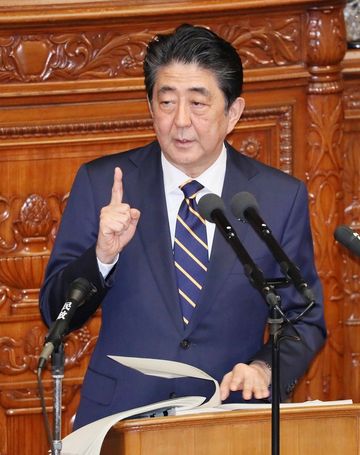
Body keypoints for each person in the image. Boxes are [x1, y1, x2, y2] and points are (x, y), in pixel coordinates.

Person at [39, 24, 326, 430]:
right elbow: (55, 311)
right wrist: (101, 256)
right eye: (167, 102)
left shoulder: (278, 198)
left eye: (198, 103)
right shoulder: (104, 184)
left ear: (234, 113)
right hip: (119, 423)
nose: (180, 122)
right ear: (150, 106)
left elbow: (305, 317)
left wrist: (265, 368)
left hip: (227, 420)